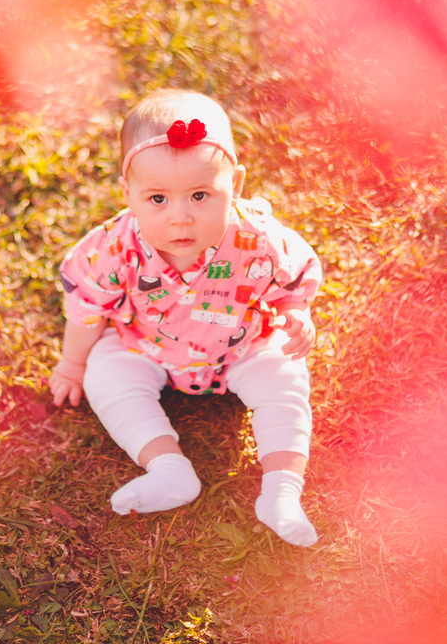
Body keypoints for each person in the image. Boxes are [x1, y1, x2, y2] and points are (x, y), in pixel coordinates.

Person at [48, 89, 321, 547]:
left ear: (234, 186)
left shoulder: (261, 241)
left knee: (286, 378)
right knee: (107, 372)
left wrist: (295, 312)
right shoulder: (115, 248)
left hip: (242, 344)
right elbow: (87, 310)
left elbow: (293, 278)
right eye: (157, 199)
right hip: (147, 344)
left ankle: (282, 491)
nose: (180, 219)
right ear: (127, 193)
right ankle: (167, 468)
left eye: (199, 195)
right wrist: (72, 364)